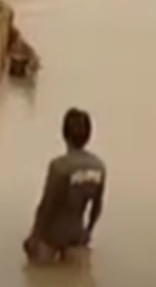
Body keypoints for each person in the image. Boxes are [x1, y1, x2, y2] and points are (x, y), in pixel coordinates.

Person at [23, 108, 105, 265]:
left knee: (38, 275)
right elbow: (97, 207)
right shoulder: (99, 168)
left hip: (51, 236)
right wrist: (88, 231)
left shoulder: (59, 167)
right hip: (76, 235)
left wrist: (34, 236)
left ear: (64, 134)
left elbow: (47, 205)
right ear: (89, 135)